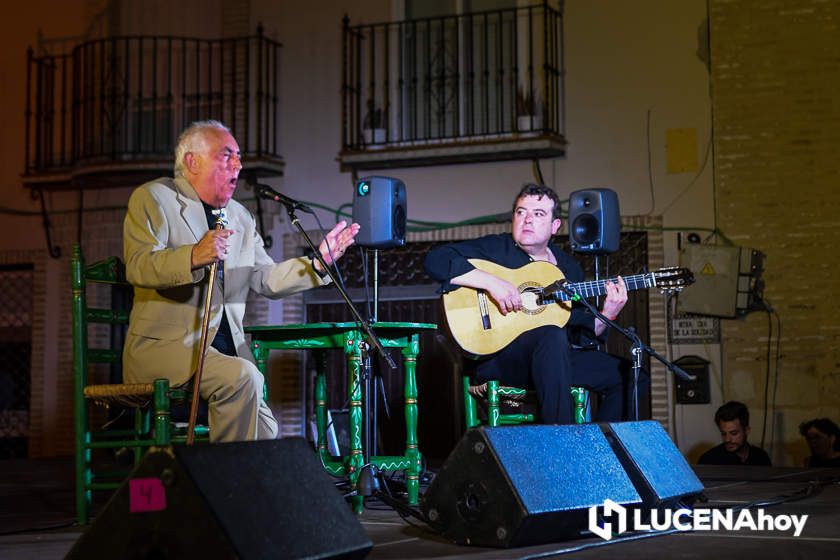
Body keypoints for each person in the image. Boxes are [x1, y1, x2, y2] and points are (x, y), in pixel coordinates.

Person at [122, 120, 360, 443]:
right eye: (227, 155)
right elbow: (138, 266)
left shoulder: (240, 217)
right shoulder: (154, 199)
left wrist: (319, 262)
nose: (238, 164)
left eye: (239, 157)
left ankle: (232, 483)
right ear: (192, 161)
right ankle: (226, 489)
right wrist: (193, 255)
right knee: (243, 378)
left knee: (267, 431)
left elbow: (266, 278)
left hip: (224, 356)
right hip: (167, 351)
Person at [424, 183, 646, 424]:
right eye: (521, 212)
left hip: (553, 360)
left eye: (538, 214)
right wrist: (491, 283)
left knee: (632, 376)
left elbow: (581, 334)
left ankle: (602, 450)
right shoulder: (498, 247)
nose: (527, 220)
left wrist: (607, 314)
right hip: (500, 359)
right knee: (551, 335)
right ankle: (560, 438)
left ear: (555, 226)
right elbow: (435, 260)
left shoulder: (568, 268)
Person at [697, 401, 771, 466]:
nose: (727, 439)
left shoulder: (761, 457)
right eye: (723, 433)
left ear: (747, 431)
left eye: (734, 433)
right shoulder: (709, 460)